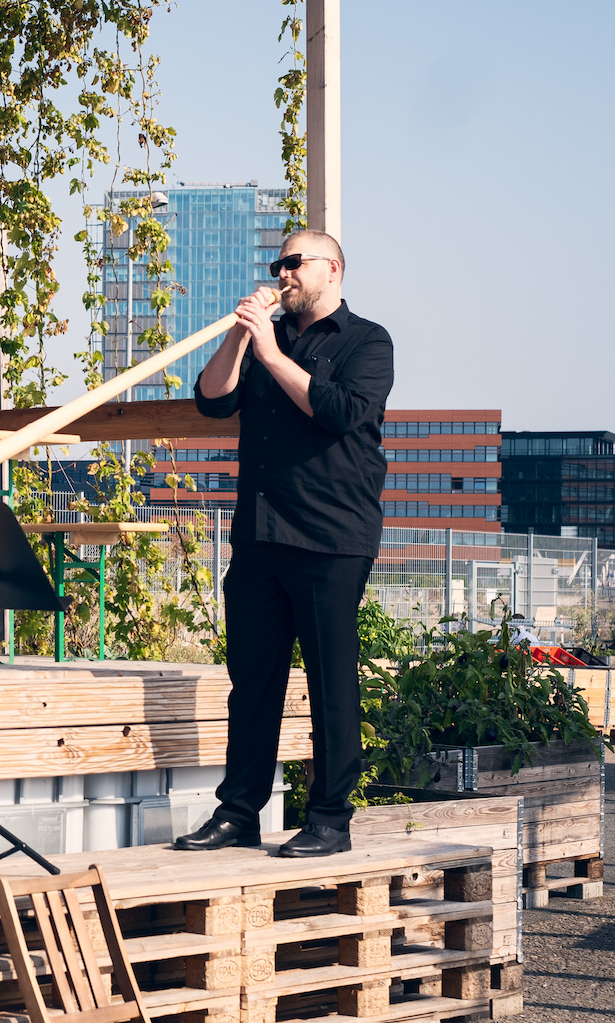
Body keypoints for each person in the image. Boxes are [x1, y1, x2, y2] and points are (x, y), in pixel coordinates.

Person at [175, 230, 394, 859]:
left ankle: (330, 820)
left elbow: (339, 411)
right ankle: (239, 812)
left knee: (331, 683)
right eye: (278, 265)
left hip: (331, 538)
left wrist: (269, 353)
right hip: (260, 535)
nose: (283, 273)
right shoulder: (265, 340)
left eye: (295, 263)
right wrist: (240, 336)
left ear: (333, 269)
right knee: (252, 682)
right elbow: (212, 400)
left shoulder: (367, 341)